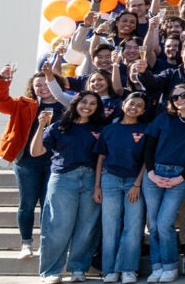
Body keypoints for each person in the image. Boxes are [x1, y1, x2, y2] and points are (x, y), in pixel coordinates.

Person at [0, 61, 74, 260]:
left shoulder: (67, 105)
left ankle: (47, 243)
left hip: (56, 163)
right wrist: (4, 79)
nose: (42, 87)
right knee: (27, 203)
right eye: (38, 85)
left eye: (45, 83)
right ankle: (26, 244)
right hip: (28, 162)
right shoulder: (23, 104)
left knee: (50, 203)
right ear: (32, 87)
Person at [31, 91, 105, 284]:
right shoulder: (59, 126)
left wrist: (97, 185)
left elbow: (101, 159)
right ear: (75, 103)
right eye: (84, 102)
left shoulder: (100, 128)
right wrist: (40, 126)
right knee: (57, 226)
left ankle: (79, 268)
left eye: (93, 103)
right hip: (63, 178)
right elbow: (36, 151)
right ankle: (50, 272)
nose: (87, 106)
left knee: (87, 227)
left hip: (90, 178)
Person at [142, 83, 185, 283]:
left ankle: (170, 266)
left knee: (164, 223)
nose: (179, 100)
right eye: (174, 98)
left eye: (183, 95)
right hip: (154, 174)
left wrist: (181, 177)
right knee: (154, 225)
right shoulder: (163, 118)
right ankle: (157, 266)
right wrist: (151, 173)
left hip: (179, 176)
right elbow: (149, 148)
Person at [94, 92, 150, 284]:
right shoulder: (109, 130)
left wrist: (137, 184)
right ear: (123, 105)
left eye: (139, 105)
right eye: (131, 103)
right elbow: (101, 158)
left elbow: (146, 160)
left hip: (133, 182)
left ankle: (128, 268)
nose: (134, 107)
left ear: (143, 111)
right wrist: (97, 187)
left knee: (133, 226)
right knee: (110, 226)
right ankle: (109, 269)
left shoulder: (145, 129)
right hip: (110, 180)